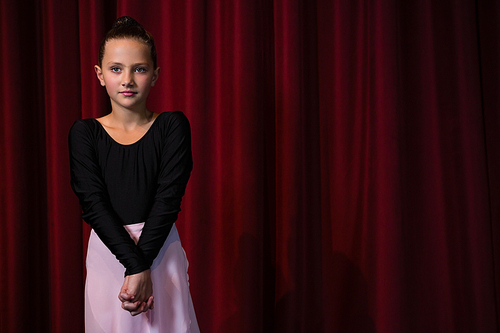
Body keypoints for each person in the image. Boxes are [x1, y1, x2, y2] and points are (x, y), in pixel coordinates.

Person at [69, 16, 199, 332]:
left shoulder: (172, 126)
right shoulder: (85, 133)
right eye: (116, 69)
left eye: (139, 69)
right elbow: (93, 205)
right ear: (100, 75)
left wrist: (143, 265)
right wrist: (136, 266)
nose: (127, 79)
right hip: (109, 253)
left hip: (160, 249)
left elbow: (168, 199)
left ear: (155, 75)